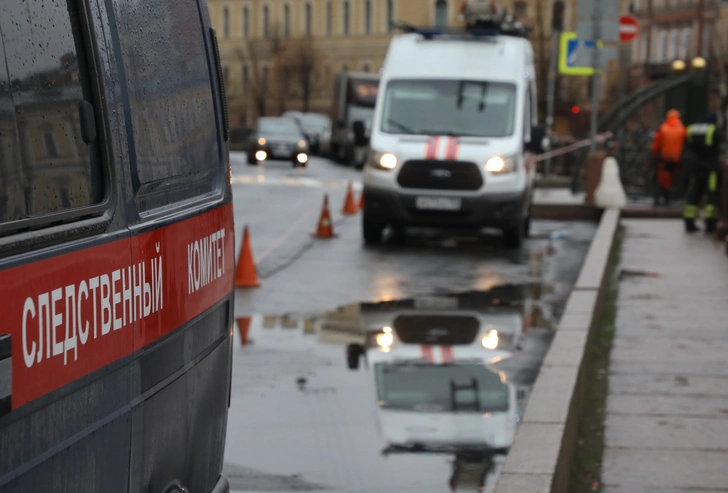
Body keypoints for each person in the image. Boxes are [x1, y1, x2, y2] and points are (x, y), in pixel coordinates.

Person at [683, 111, 724, 233]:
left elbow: (687, 144)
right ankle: (710, 223)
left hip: (695, 167)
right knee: (711, 195)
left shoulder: (692, 128)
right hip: (710, 168)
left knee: (694, 193)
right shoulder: (713, 129)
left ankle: (689, 221)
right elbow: (721, 144)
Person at [651, 109, 687, 206]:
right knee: (671, 178)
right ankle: (667, 197)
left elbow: (656, 144)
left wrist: (655, 154)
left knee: (661, 179)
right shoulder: (682, 129)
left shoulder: (663, 128)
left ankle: (660, 198)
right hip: (676, 158)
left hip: (664, 158)